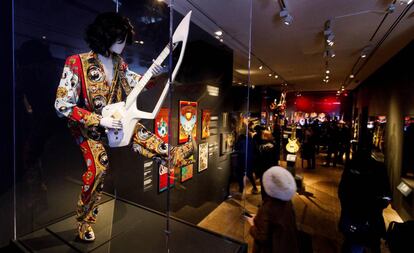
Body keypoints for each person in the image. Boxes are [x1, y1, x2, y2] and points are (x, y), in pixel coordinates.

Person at [54, 12, 194, 241]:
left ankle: (172, 155)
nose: (124, 44)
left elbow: (136, 85)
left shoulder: (120, 64)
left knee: (137, 129)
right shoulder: (76, 62)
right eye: (120, 39)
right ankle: (84, 222)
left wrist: (153, 76)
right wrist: (99, 120)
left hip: (115, 118)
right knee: (99, 168)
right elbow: (62, 105)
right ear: (106, 35)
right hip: (87, 124)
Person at [338, 149, 391, 253]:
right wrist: (377, 207)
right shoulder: (379, 168)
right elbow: (386, 195)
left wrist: (346, 207)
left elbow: (342, 191)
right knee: (371, 244)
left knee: (351, 243)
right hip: (370, 217)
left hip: (353, 215)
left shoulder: (352, 166)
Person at [246, 166, 299, 253]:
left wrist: (252, 225)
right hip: (287, 245)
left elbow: (261, 237)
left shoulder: (268, 207)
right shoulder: (287, 201)